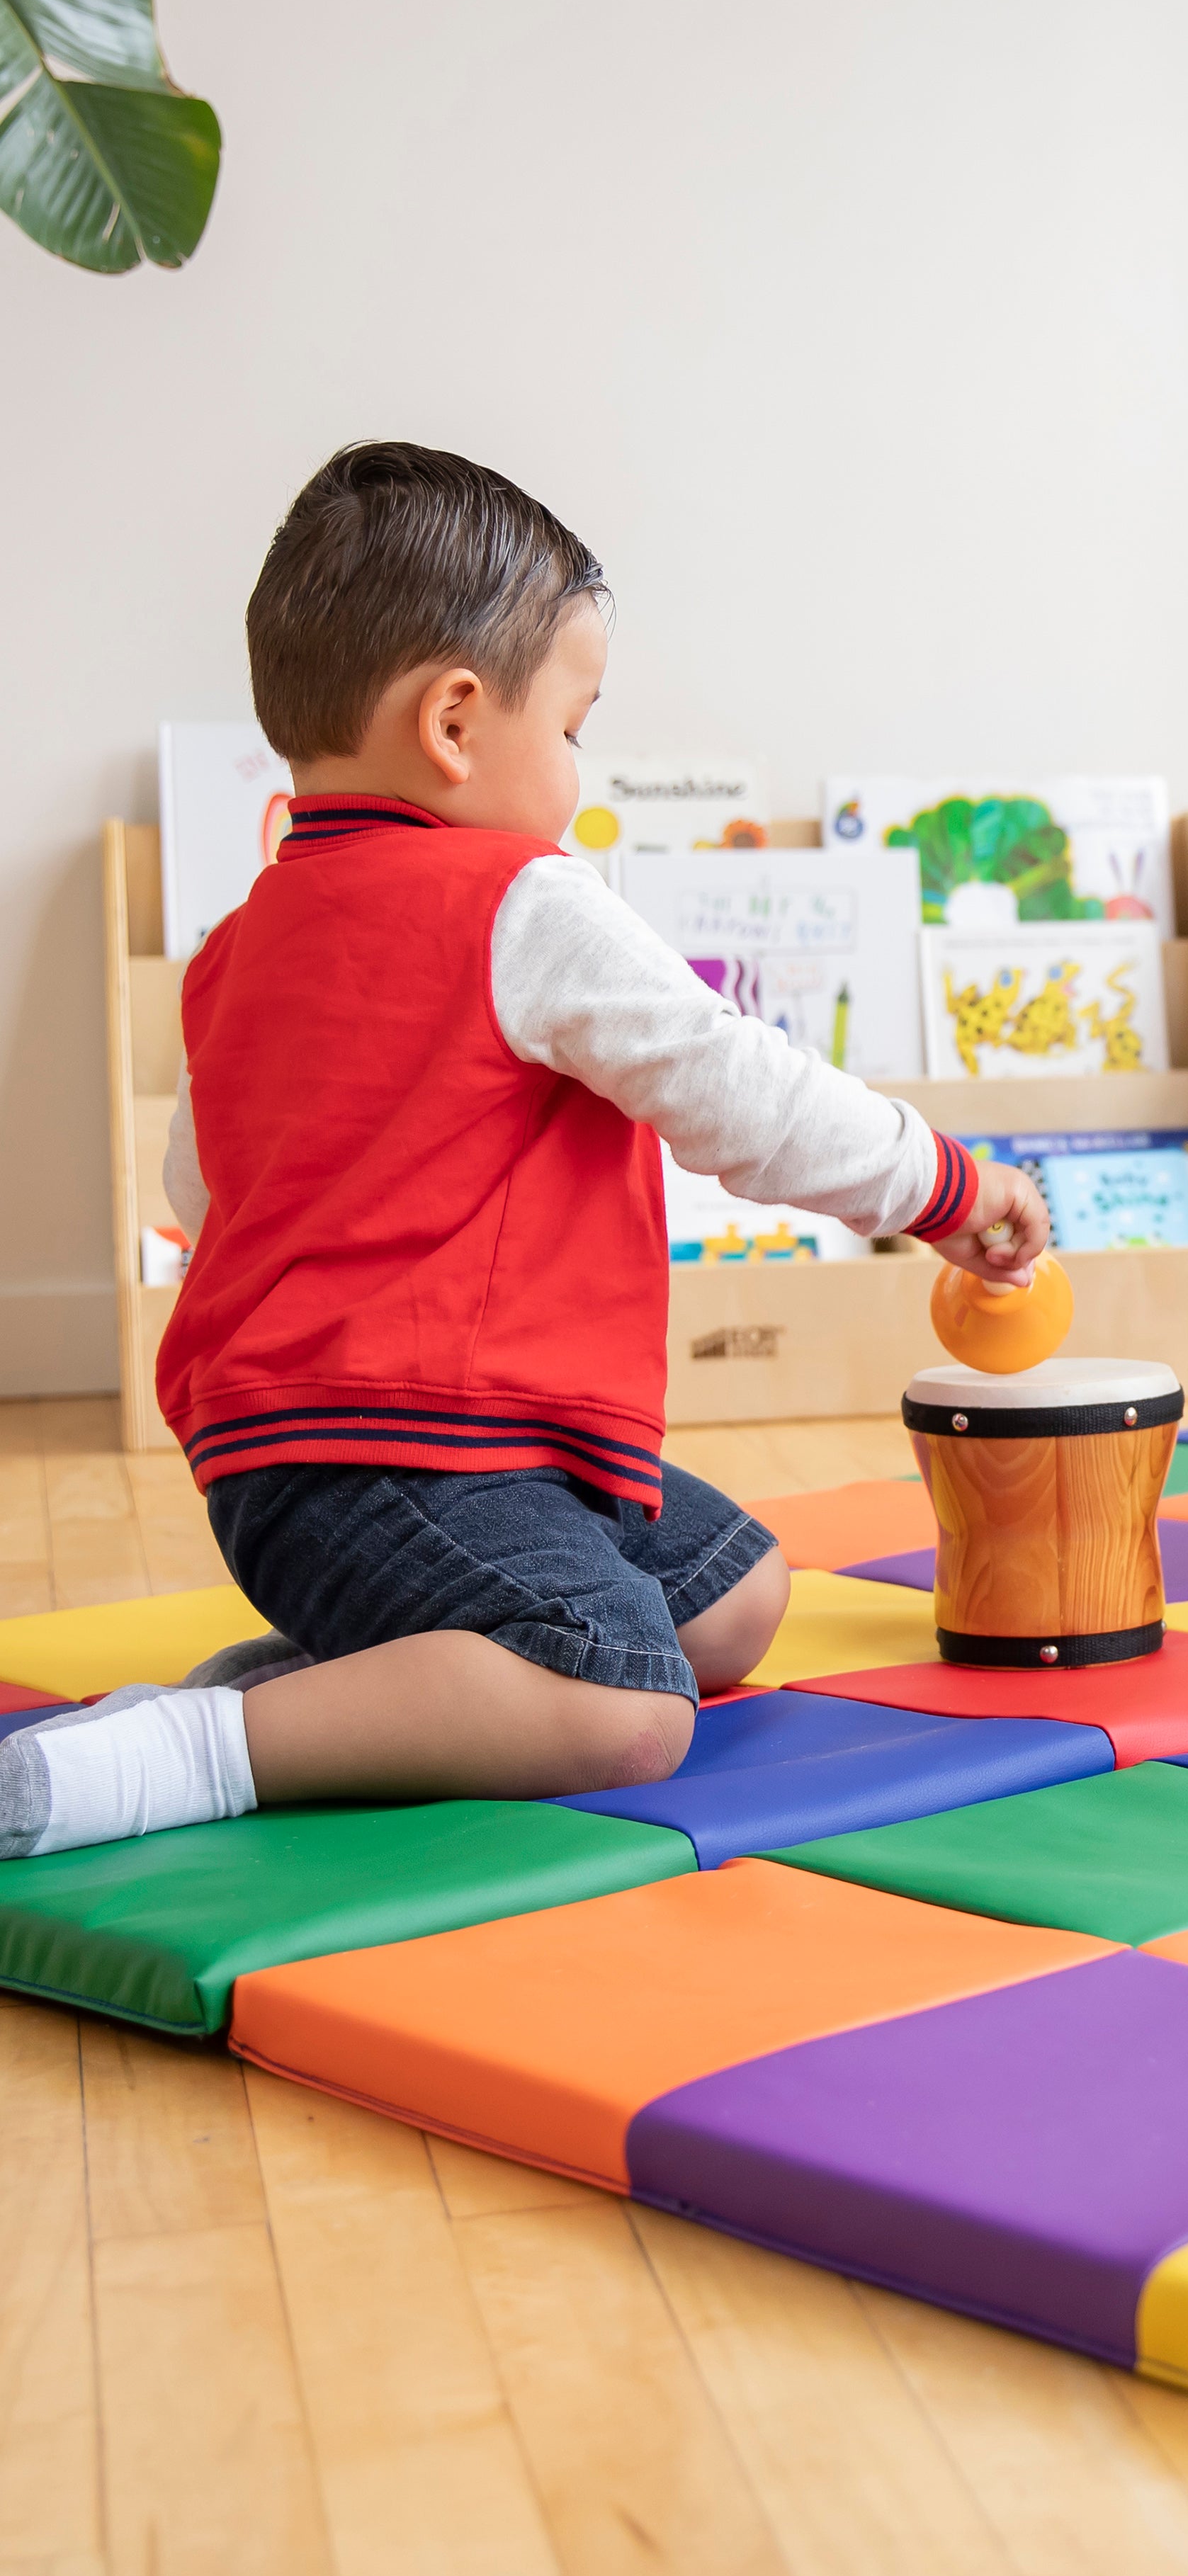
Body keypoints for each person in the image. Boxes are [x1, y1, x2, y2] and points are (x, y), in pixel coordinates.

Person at [1, 443, 1048, 1859]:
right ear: (453, 721)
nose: (576, 767)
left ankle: (352, 1695)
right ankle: (196, 1749)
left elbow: (204, 1185)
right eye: (572, 724)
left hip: (368, 1458)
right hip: (386, 1456)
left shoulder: (239, 943)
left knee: (734, 1596)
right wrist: (946, 1185)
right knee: (621, 1702)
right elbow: (733, 1085)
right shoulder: (523, 899)